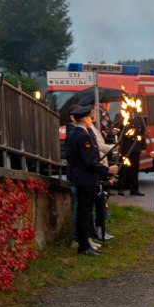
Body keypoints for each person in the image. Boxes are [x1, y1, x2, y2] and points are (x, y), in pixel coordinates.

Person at [65, 105, 117, 257]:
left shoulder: (73, 134)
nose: (91, 120)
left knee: (83, 212)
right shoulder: (84, 136)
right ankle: (84, 245)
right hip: (86, 180)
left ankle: (84, 243)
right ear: (84, 119)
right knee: (85, 213)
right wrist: (107, 170)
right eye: (89, 117)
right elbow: (90, 162)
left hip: (79, 177)